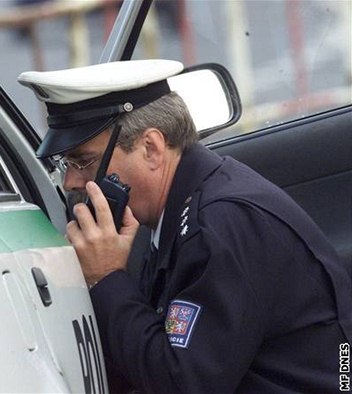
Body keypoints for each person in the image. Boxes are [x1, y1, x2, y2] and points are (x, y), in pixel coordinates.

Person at [18, 59, 352, 393]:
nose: (71, 180)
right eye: (66, 164)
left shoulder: (220, 223)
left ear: (151, 148)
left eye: (84, 161)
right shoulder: (185, 209)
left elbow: (184, 384)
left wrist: (106, 279)